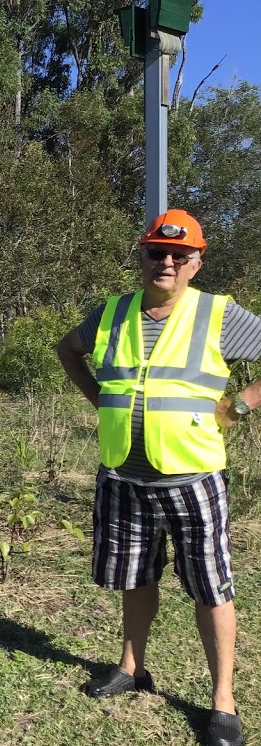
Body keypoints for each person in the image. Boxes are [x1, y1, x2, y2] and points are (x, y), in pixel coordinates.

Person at [56, 209, 261, 746]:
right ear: (142, 257)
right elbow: (67, 350)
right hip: (124, 476)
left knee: (211, 589)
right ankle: (132, 666)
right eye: (156, 252)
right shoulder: (112, 313)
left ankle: (222, 702)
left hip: (193, 477)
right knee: (136, 576)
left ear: (197, 262)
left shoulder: (218, 314)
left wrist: (238, 406)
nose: (166, 262)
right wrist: (100, 399)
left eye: (180, 255)